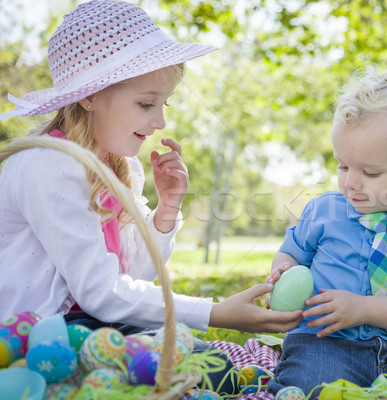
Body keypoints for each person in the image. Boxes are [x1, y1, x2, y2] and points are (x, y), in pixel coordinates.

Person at [0, 0, 302, 393]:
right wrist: (215, 312)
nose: (160, 121)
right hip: (41, 337)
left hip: (94, 326)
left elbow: (131, 279)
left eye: (163, 104)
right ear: (89, 96)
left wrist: (167, 209)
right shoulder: (47, 164)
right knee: (193, 367)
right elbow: (101, 292)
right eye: (146, 104)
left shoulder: (119, 166)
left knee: (214, 365)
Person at [266, 64, 387, 398]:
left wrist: (364, 309)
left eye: (370, 172)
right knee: (314, 385)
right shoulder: (323, 211)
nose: (349, 182)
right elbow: (290, 252)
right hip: (324, 344)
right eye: (343, 165)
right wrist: (282, 270)